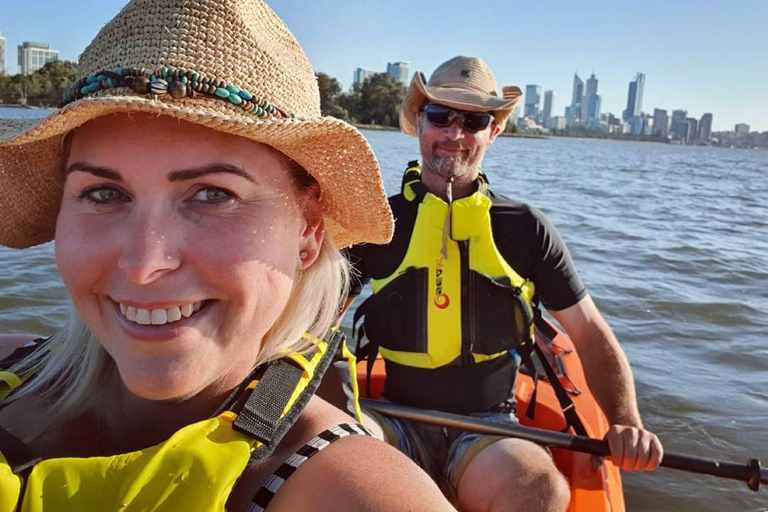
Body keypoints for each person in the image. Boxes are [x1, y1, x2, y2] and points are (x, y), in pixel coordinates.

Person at [0, 1, 457, 510]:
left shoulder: (356, 493)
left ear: (308, 231)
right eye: (103, 194)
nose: (143, 264)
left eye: (213, 195)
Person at [346, 55, 664, 512]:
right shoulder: (378, 221)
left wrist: (626, 420)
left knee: (541, 489)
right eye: (441, 115)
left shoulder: (525, 228)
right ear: (419, 121)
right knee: (326, 459)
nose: (455, 134)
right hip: (393, 419)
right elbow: (316, 324)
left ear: (493, 132)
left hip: (491, 430)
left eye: (474, 120)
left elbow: (590, 334)